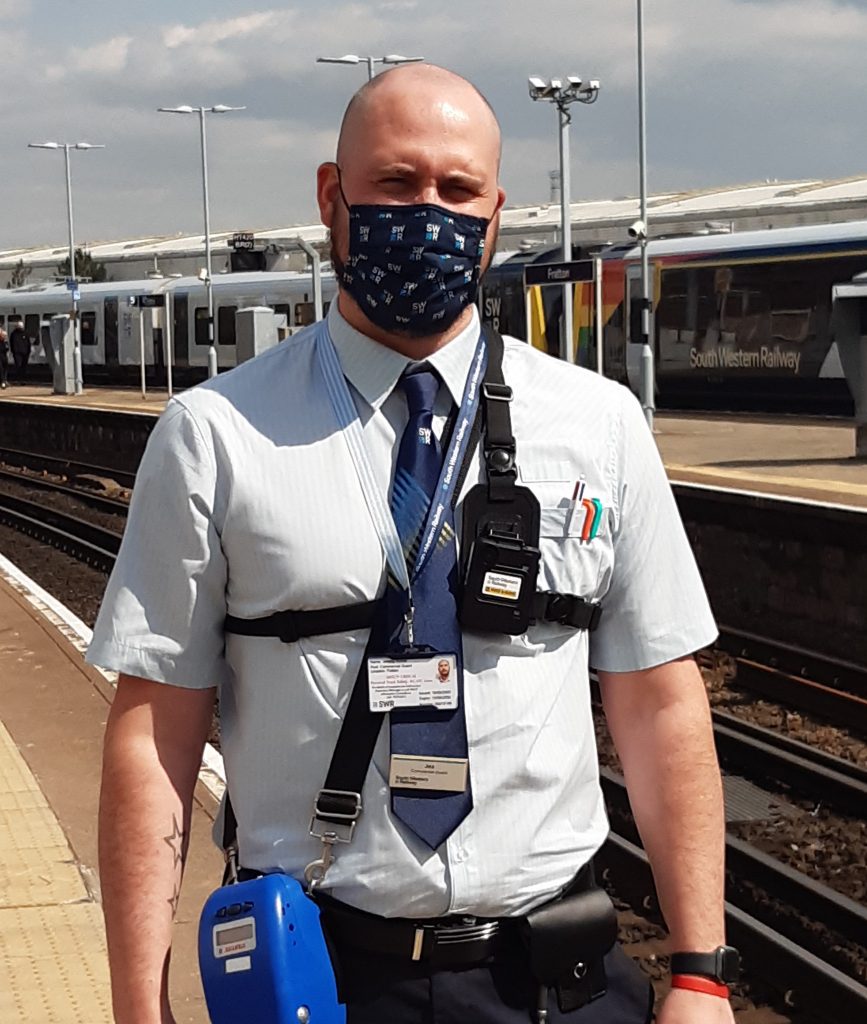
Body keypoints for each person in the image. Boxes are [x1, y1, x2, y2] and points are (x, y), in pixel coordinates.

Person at [90, 64, 736, 1024]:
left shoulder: (597, 425)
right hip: (321, 978)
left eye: (457, 189)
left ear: (494, 215)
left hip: (556, 980)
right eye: (395, 183)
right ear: (331, 196)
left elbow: (657, 702)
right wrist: (138, 1008)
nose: (427, 212)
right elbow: (155, 730)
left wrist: (697, 972)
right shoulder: (215, 433)